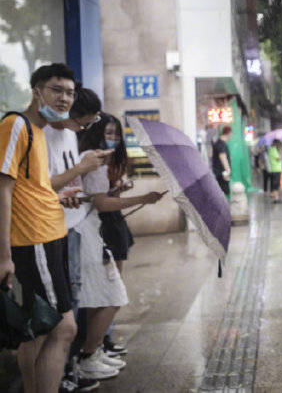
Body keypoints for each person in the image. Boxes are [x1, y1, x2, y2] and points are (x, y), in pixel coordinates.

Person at [0, 63, 80, 393]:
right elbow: (3, 188)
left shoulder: (39, 132)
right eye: (56, 90)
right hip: (33, 242)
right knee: (59, 328)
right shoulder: (15, 124)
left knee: (43, 328)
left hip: (49, 239)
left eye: (70, 93)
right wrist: (4, 255)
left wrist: (59, 197)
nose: (65, 98)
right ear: (37, 91)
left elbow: (30, 188)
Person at [74, 113, 165, 380]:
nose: (112, 138)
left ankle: (93, 352)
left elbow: (97, 197)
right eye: (108, 133)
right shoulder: (95, 158)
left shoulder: (99, 158)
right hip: (91, 235)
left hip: (95, 233)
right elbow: (99, 203)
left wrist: (119, 191)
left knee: (106, 296)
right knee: (112, 296)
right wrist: (143, 198)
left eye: (116, 134)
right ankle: (89, 356)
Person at [44, 85, 108, 392]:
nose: (84, 129)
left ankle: (70, 370)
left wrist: (74, 191)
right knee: (62, 308)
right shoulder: (40, 135)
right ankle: (62, 375)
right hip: (51, 232)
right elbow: (39, 188)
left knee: (76, 296)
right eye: (84, 122)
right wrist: (80, 170)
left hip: (74, 224)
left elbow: (64, 182)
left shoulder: (69, 135)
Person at [211, 125, 232, 196]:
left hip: (219, 173)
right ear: (229, 133)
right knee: (224, 193)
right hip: (222, 173)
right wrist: (228, 170)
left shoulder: (218, 143)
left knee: (221, 194)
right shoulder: (221, 144)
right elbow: (222, 157)